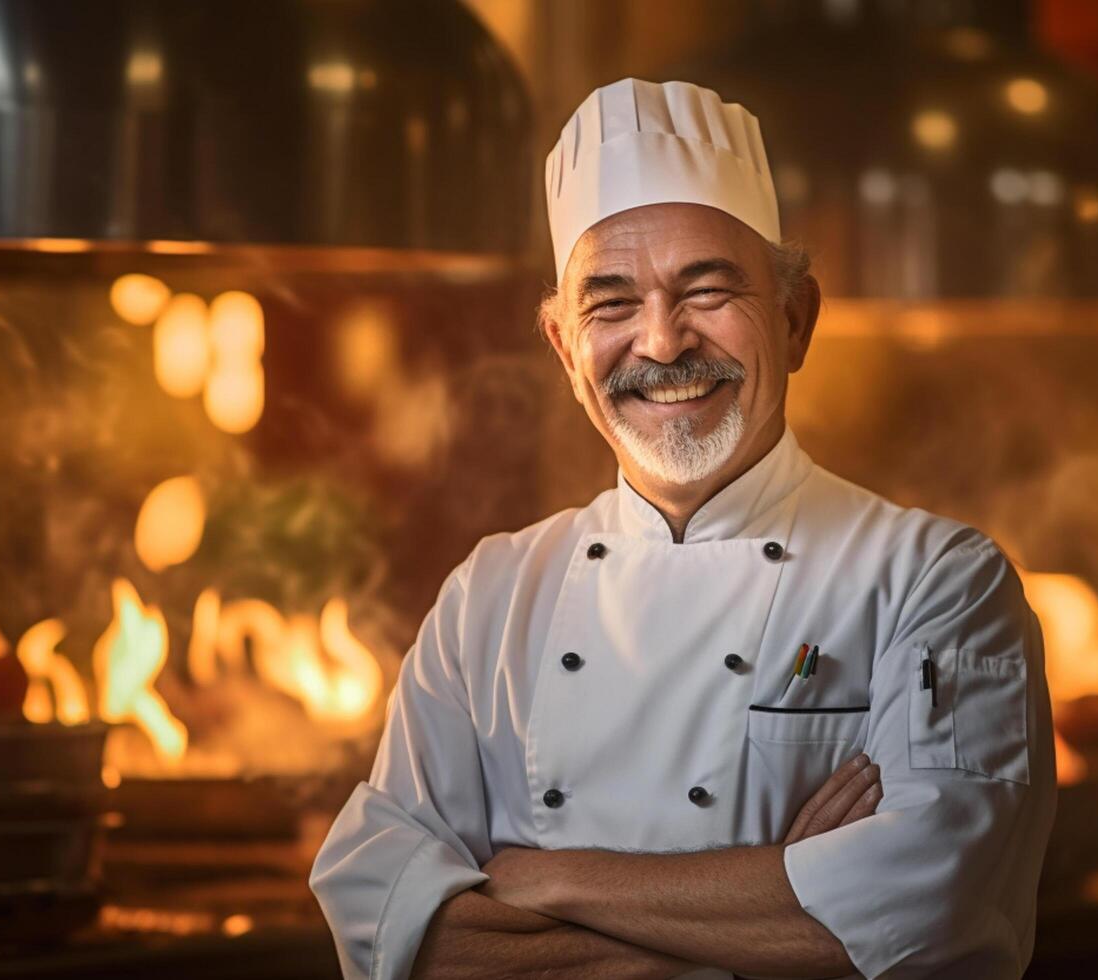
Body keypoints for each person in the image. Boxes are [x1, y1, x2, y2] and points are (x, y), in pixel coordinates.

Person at [311, 78, 1055, 980]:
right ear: (561, 348)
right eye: (611, 304)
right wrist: (780, 898)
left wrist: (544, 880)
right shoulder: (491, 596)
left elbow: (938, 914)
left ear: (794, 319)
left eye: (706, 290)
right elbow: (392, 932)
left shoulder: (935, 581)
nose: (661, 343)